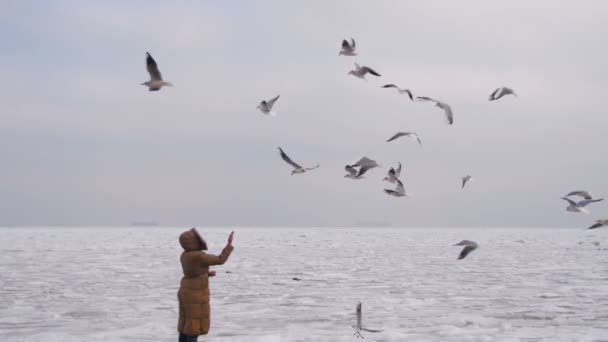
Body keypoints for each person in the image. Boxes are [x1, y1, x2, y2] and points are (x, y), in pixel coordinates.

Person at [177, 228, 234, 342]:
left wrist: (205, 274)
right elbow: (220, 259)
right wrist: (229, 245)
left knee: (186, 324)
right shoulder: (199, 256)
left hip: (185, 290)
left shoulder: (185, 255)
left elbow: (192, 271)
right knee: (194, 327)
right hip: (195, 294)